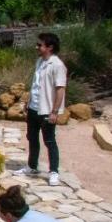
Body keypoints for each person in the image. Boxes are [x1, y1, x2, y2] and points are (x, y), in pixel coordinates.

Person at [25, 32, 68, 186]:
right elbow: (36, 85)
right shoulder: (39, 61)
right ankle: (32, 166)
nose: (36, 47)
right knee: (32, 138)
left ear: (50, 47)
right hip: (34, 107)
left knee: (49, 141)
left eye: (40, 45)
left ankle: (54, 172)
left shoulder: (57, 65)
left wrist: (54, 112)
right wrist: (28, 102)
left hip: (46, 110)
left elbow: (60, 89)